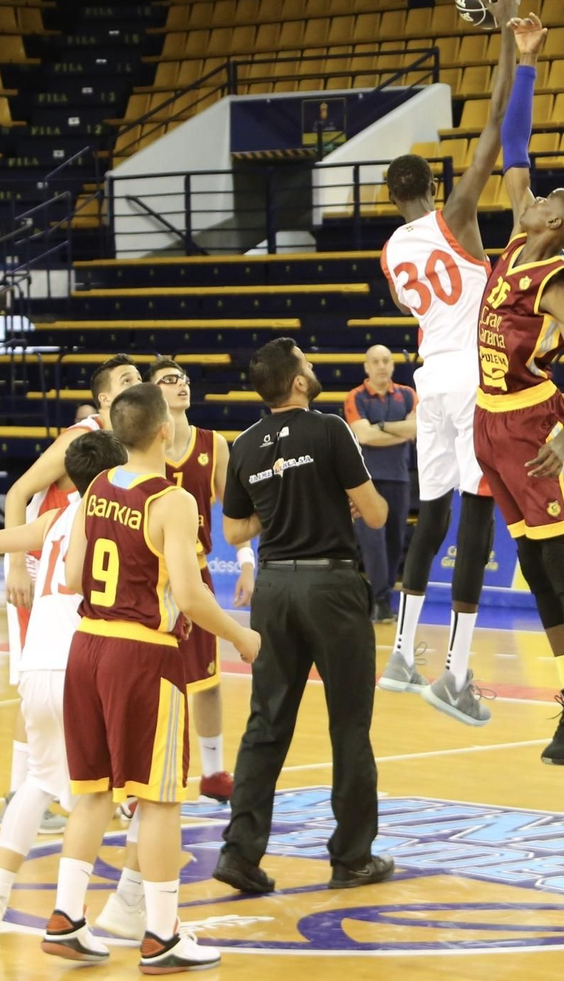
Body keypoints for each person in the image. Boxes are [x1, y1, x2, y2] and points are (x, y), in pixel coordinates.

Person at [40, 383, 260, 971]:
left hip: (86, 646)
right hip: (141, 656)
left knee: (93, 793)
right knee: (161, 801)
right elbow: (189, 597)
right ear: (164, 430)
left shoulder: (94, 489)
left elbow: (71, 574)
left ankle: (66, 919)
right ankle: (162, 935)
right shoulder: (173, 500)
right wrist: (241, 636)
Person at [0, 429, 129, 938]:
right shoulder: (117, 515)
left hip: (39, 664)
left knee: (39, 782)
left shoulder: (53, 517)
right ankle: (84, 914)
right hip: (86, 662)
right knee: (112, 792)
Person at [377, 0, 520, 727]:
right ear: (433, 188)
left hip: (428, 379)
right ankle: (456, 672)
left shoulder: (391, 251)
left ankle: (402, 653)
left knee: (427, 517)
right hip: (472, 378)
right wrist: (506, 39)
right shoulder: (455, 216)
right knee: (477, 516)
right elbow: (494, 122)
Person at [473, 12, 564, 765]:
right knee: (532, 571)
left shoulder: (556, 280)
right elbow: (516, 143)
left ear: (563, 232)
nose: (533, 206)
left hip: (531, 427)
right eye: (537, 200)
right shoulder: (518, 236)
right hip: (488, 423)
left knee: (561, 569)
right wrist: (527, 60)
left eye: (549, 211)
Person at [216, 338, 395, 894]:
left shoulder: (243, 444)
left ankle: (240, 855)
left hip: (274, 590)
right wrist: (322, 499)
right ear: (297, 382)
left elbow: (235, 532)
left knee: (266, 724)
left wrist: (284, 506)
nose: (315, 370)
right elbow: (375, 513)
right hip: (331, 586)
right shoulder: (329, 429)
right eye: (309, 366)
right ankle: (352, 857)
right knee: (349, 724)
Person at [0, 353, 139, 830]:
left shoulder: (130, 442)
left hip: (78, 566)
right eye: (127, 379)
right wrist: (18, 565)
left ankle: (102, 789)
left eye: (139, 377)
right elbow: (17, 492)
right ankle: (18, 794)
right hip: (42, 565)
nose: (136, 383)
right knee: (37, 684)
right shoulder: (80, 439)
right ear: (104, 399)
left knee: (88, 679)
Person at [147, 358, 247, 808]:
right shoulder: (137, 444)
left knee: (206, 680)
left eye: (183, 378)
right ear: (152, 394)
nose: (180, 384)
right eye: (169, 380)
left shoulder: (214, 444)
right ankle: (138, 776)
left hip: (196, 570)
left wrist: (245, 559)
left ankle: (212, 773)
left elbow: (235, 510)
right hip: (145, 575)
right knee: (145, 680)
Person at [344, 345, 417, 623]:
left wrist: (381, 426)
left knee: (395, 541)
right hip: (366, 481)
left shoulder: (409, 395)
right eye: (375, 361)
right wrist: (399, 429)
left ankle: (381, 598)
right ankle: (380, 600)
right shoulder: (355, 397)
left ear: (393, 365)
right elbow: (362, 436)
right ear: (366, 367)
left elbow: (417, 429)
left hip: (399, 477)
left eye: (386, 360)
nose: (381, 366)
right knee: (372, 542)